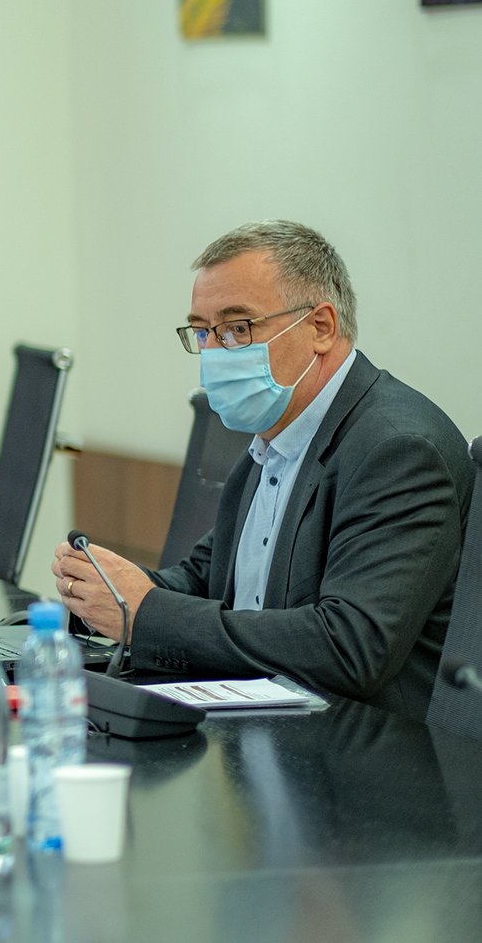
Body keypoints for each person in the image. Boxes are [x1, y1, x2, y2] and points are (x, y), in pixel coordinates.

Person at [53, 220, 470, 721]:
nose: (213, 353)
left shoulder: (397, 450)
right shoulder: (274, 435)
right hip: (268, 727)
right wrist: (108, 597)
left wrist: (147, 614)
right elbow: (206, 579)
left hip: (362, 749)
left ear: (321, 327)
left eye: (238, 328)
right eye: (203, 332)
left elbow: (350, 648)